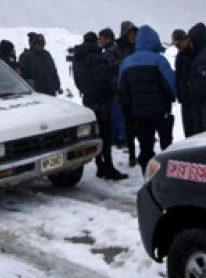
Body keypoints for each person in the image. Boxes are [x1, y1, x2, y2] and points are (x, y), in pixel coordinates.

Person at [118, 25, 176, 174]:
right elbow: (171, 85)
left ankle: (148, 175)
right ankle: (168, 173)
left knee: (145, 147)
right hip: (160, 112)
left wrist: (128, 110)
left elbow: (122, 91)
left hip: (139, 114)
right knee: (166, 145)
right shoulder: (159, 61)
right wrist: (172, 98)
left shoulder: (126, 63)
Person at [72, 32, 127, 180]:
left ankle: (100, 166)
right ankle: (108, 167)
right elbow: (103, 81)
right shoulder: (96, 57)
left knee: (96, 134)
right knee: (105, 135)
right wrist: (113, 92)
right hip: (101, 101)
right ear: (95, 41)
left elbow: (77, 80)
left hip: (88, 100)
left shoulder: (77, 58)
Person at [111, 21, 139, 165]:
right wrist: (127, 62)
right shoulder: (116, 49)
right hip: (122, 90)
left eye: (134, 34)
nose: (133, 37)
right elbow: (110, 66)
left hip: (137, 91)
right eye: (130, 34)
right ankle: (129, 150)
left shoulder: (139, 48)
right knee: (126, 121)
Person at [171, 29, 198, 138]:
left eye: (179, 43)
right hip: (185, 100)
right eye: (176, 44)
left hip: (195, 99)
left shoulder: (195, 54)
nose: (178, 46)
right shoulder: (179, 56)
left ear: (186, 40)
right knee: (189, 131)